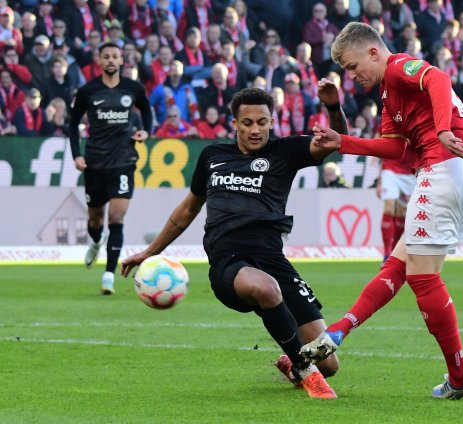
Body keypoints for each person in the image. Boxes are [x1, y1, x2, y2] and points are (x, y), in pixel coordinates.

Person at [299, 22, 463, 400]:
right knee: (401, 262)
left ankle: (459, 377)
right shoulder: (389, 98)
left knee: (423, 278)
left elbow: (438, 77)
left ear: (373, 52)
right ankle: (341, 329)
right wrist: (342, 141)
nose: (352, 76)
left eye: (352, 66)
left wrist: (441, 130)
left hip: (445, 164)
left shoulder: (397, 68)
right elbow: (394, 148)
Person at [120, 88, 339, 399]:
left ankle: (293, 363)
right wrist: (149, 252)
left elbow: (335, 140)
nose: (254, 130)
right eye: (247, 122)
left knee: (329, 362)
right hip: (229, 260)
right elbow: (187, 209)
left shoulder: (285, 152)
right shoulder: (213, 156)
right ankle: (306, 372)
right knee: (265, 289)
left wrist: (332, 106)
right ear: (234, 123)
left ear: (272, 122)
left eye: (262, 122)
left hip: (274, 260)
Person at [69, 42, 153, 295]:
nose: (111, 60)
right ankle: (96, 242)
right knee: (95, 221)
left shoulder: (133, 88)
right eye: (106, 56)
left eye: (115, 56)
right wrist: (77, 155)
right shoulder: (88, 91)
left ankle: (108, 275)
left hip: (124, 161)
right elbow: (73, 125)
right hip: (94, 163)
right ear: (99, 61)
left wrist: (145, 130)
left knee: (116, 218)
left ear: (121, 60)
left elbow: (147, 109)